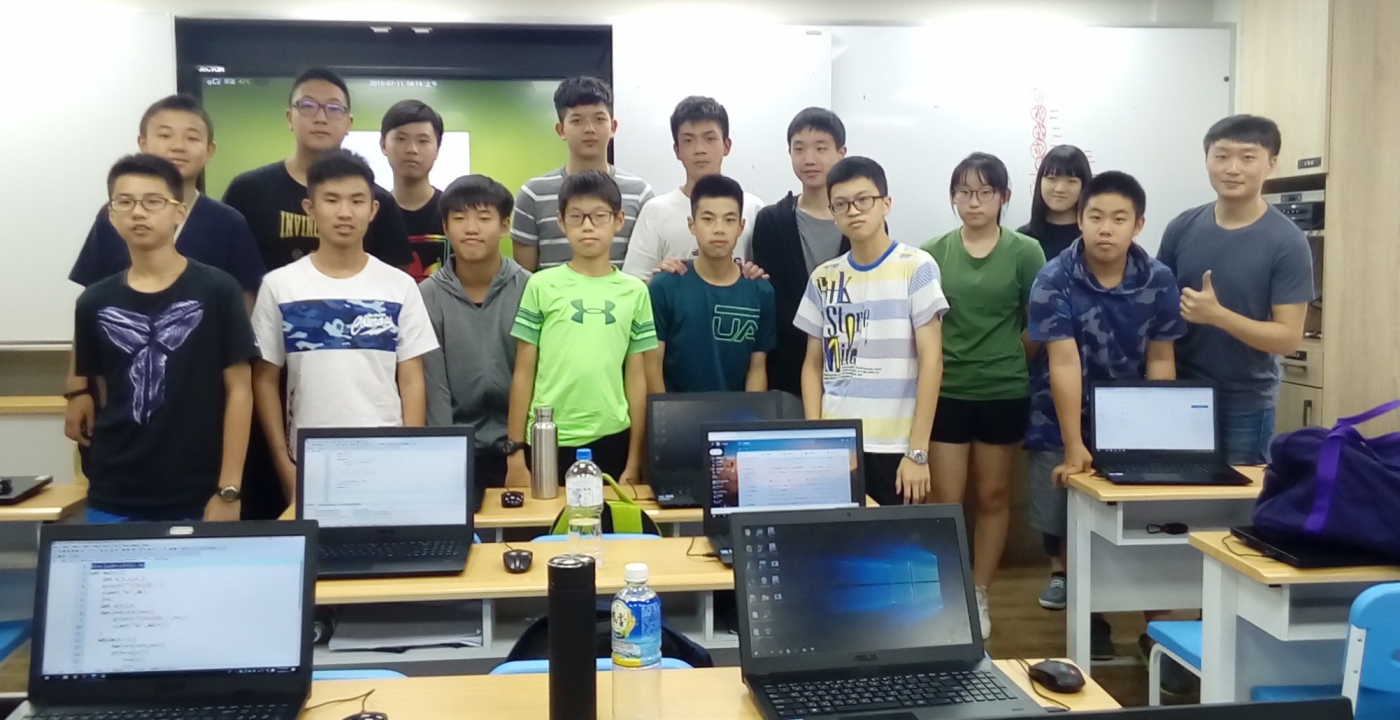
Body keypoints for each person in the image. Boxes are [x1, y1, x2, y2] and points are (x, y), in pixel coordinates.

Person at [1025, 171, 1187, 658]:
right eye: (1095, 216)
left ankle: (1159, 634)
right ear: (1080, 219)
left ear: (1138, 224)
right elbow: (1063, 361)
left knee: (1147, 523)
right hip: (1060, 415)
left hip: (1132, 420)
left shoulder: (1158, 278)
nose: (1105, 228)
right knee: (1072, 519)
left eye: (1119, 218)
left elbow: (1161, 357)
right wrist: (1075, 444)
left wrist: (1158, 437)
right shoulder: (1054, 277)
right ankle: (1090, 618)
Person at [68, 154, 258, 523]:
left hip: (199, 493)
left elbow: (240, 390)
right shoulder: (93, 301)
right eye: (125, 202)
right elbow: (106, 394)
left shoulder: (218, 289)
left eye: (153, 201)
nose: (138, 212)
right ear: (111, 216)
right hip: (114, 492)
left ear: (179, 212)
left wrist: (229, 488)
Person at [251, 151, 438, 507]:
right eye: (332, 200)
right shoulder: (280, 285)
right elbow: (264, 378)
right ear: (310, 208)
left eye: (356, 200)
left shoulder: (398, 286)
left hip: (387, 459)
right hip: (310, 461)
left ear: (373, 209)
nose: (345, 212)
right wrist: (283, 463)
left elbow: (412, 378)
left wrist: (409, 454)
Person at [923, 152, 1046, 638]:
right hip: (946, 390)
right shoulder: (932, 252)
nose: (973, 202)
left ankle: (978, 593)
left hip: (1003, 389)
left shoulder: (1025, 251)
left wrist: (1007, 356)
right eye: (964, 192)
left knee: (993, 496)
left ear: (1003, 197)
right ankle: (945, 592)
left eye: (985, 192)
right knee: (945, 498)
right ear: (953, 197)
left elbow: (1036, 325)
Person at [1158, 115, 1313, 465]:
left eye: (1247, 157)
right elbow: (1158, 309)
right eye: (1221, 155)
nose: (1232, 168)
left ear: (1271, 163)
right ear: (1207, 160)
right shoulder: (1182, 227)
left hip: (1245, 400)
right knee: (1173, 492)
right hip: (1180, 391)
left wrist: (1218, 316)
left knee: (1237, 495)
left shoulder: (1287, 242)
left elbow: (1288, 339)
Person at [794, 157, 946, 509]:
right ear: (833, 212)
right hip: (838, 445)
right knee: (835, 538)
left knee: (893, 540)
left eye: (864, 200)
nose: (853, 211)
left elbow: (932, 363)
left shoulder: (917, 267)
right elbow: (813, 365)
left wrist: (918, 451)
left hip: (895, 446)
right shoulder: (823, 277)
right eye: (842, 204)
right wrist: (817, 440)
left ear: (885, 203)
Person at [504, 170, 657, 486]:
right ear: (561, 222)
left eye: (599, 216)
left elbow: (636, 377)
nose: (588, 226)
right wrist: (515, 452)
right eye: (576, 217)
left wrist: (634, 460)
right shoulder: (540, 285)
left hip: (612, 436)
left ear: (619, 220)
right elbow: (523, 371)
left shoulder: (635, 291)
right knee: (547, 517)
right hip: (547, 436)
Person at [69, 94, 265, 300]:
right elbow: (93, 294)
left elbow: (245, 298)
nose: (177, 146)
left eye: (192, 138)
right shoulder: (117, 213)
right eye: (164, 136)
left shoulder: (228, 222)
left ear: (209, 151)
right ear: (143, 144)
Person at [223, 67, 413, 273]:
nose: (321, 118)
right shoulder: (248, 192)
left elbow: (395, 278)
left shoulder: (379, 202)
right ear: (289, 117)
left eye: (334, 108)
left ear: (348, 123)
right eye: (307, 106)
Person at [420, 175, 530, 512]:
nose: (471, 228)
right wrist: (443, 459)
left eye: (484, 218)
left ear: (504, 226)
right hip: (455, 450)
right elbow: (434, 387)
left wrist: (518, 448)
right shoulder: (426, 296)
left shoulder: (531, 289)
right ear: (445, 227)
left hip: (521, 448)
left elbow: (536, 375)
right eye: (459, 218)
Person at [751, 108, 850, 397]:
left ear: (841, 153)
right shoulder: (771, 221)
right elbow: (771, 299)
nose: (809, 159)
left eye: (821, 148)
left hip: (851, 368)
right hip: (786, 370)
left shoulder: (861, 221)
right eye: (799, 149)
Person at [646, 174, 776, 393]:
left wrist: (751, 415)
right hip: (676, 412)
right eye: (708, 219)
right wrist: (662, 414)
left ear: (741, 226)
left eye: (729, 220)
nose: (719, 229)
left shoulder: (760, 291)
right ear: (692, 225)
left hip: (737, 413)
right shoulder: (664, 287)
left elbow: (756, 369)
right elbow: (652, 365)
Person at [511, 76, 654, 272]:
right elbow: (524, 277)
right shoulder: (533, 195)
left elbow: (646, 269)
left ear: (613, 127)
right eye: (577, 121)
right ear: (561, 130)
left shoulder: (640, 194)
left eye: (599, 119)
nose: (589, 129)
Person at [621, 96, 765, 282]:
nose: (699, 149)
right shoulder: (655, 211)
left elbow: (766, 274)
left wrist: (755, 273)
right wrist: (660, 280)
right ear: (677, 150)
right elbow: (633, 284)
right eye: (688, 140)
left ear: (726, 146)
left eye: (710, 138)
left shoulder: (752, 208)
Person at [381, 99, 449, 282]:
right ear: (383, 145)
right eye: (401, 139)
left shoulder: (452, 211)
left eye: (423, 141)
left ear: (437, 149)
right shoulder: (371, 212)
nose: (412, 149)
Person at [1018, 145, 1093, 263]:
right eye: (1051, 179)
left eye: (1071, 181)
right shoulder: (1021, 240)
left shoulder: (1094, 240)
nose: (1060, 189)